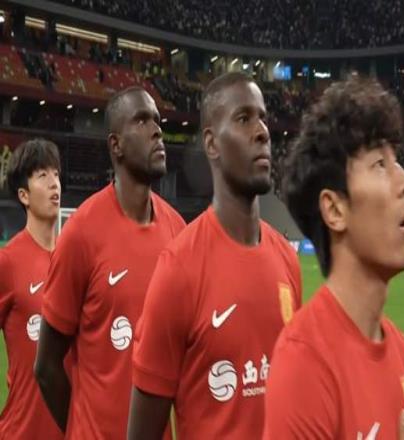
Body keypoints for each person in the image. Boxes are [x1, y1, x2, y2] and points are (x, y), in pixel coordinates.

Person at [127, 72, 302, 439]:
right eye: (244, 119)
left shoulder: (287, 260)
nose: (262, 132)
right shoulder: (179, 269)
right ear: (211, 144)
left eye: (263, 118)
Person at [263, 75, 404, 439]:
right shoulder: (304, 363)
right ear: (335, 210)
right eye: (380, 164)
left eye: (396, 161)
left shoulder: (400, 349)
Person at [34, 87, 186, 439]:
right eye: (142, 121)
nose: (157, 131)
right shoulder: (82, 233)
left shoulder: (178, 231)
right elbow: (46, 366)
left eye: (157, 121)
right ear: (115, 145)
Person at [0, 138, 63, 439]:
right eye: (43, 175)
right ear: (23, 195)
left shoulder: (73, 261)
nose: (54, 183)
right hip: (23, 430)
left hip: (71, 429)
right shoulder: (8, 262)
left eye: (56, 174)